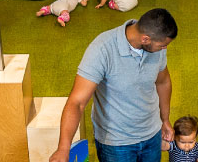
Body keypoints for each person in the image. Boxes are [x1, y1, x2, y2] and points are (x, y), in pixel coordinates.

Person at [49, 8, 178, 162]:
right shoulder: (102, 49)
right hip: (116, 143)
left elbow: (163, 82)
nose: (164, 49)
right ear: (145, 39)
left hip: (152, 133)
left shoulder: (156, 46)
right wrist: (63, 149)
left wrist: (165, 120)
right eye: (162, 45)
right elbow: (77, 102)